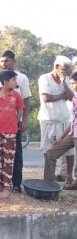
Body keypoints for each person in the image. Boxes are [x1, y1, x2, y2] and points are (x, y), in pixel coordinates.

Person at [0, 50, 32, 193]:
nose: (4, 64)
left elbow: (27, 100)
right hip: (0, 124)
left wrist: (24, 120)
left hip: (14, 123)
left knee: (15, 154)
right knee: (0, 154)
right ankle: (3, 182)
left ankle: (16, 184)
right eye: (2, 61)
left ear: (13, 61)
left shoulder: (21, 78)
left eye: (7, 61)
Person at [38, 56, 74, 187]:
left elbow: (71, 98)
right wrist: (61, 96)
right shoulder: (44, 78)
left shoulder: (66, 80)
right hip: (48, 120)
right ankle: (49, 180)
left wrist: (63, 82)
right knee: (48, 151)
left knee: (69, 152)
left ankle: (69, 177)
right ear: (56, 67)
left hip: (64, 119)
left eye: (67, 70)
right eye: (63, 69)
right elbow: (46, 98)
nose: (65, 72)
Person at [0, 71, 25, 197]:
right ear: (5, 82)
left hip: (10, 132)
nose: (16, 82)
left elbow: (20, 110)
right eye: (14, 80)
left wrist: (15, 123)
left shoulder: (16, 96)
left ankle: (7, 187)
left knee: (9, 159)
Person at [44, 71, 77, 187]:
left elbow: (70, 95)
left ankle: (73, 184)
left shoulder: (74, 97)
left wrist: (63, 82)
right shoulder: (75, 98)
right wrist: (61, 138)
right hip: (73, 133)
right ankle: (48, 185)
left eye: (73, 83)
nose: (72, 86)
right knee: (51, 154)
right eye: (71, 83)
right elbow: (72, 122)